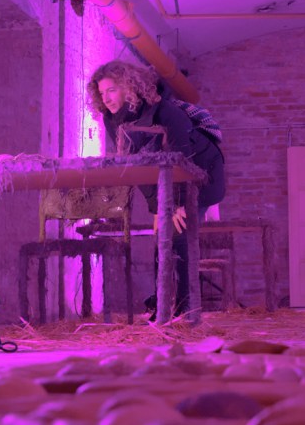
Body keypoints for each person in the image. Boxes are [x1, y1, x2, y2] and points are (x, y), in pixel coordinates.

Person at [87, 60, 226, 317]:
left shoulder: (164, 111)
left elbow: (182, 159)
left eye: (112, 90)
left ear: (129, 87)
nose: (106, 98)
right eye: (102, 92)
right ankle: (163, 303)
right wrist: (158, 206)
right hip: (167, 179)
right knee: (163, 235)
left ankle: (185, 308)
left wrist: (176, 203)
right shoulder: (112, 120)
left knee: (178, 235)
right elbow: (136, 165)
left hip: (201, 173)